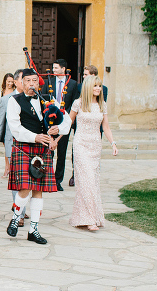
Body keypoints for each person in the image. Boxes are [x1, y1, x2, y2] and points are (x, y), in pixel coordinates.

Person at [6, 68, 72, 245]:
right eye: (27, 81)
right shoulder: (15, 100)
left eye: (35, 80)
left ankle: (33, 230)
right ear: (20, 82)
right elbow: (15, 128)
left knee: (38, 191)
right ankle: (15, 217)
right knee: (25, 188)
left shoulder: (48, 101)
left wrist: (58, 129)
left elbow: (67, 121)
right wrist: (34, 137)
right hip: (24, 148)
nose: (31, 84)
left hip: (42, 151)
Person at [69, 75, 117, 231]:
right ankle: (89, 219)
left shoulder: (102, 105)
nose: (98, 88)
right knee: (86, 180)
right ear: (88, 87)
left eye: (100, 86)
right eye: (95, 86)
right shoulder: (79, 103)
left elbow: (106, 127)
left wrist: (113, 143)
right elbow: (68, 123)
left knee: (92, 182)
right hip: (81, 144)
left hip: (95, 146)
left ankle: (86, 216)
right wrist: (56, 138)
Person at [40, 58, 79, 190]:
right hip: (49, 122)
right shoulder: (49, 82)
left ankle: (58, 180)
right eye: (53, 68)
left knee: (62, 153)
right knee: (49, 151)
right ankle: (47, 178)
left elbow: (73, 103)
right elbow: (44, 99)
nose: (53, 70)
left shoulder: (73, 84)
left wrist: (65, 119)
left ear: (63, 69)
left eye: (56, 68)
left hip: (64, 123)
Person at [69, 65, 108, 186]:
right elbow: (70, 118)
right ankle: (75, 174)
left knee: (92, 175)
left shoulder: (103, 93)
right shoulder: (79, 96)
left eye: (86, 74)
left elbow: (105, 123)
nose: (83, 77)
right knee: (84, 171)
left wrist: (113, 143)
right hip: (81, 137)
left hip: (95, 135)